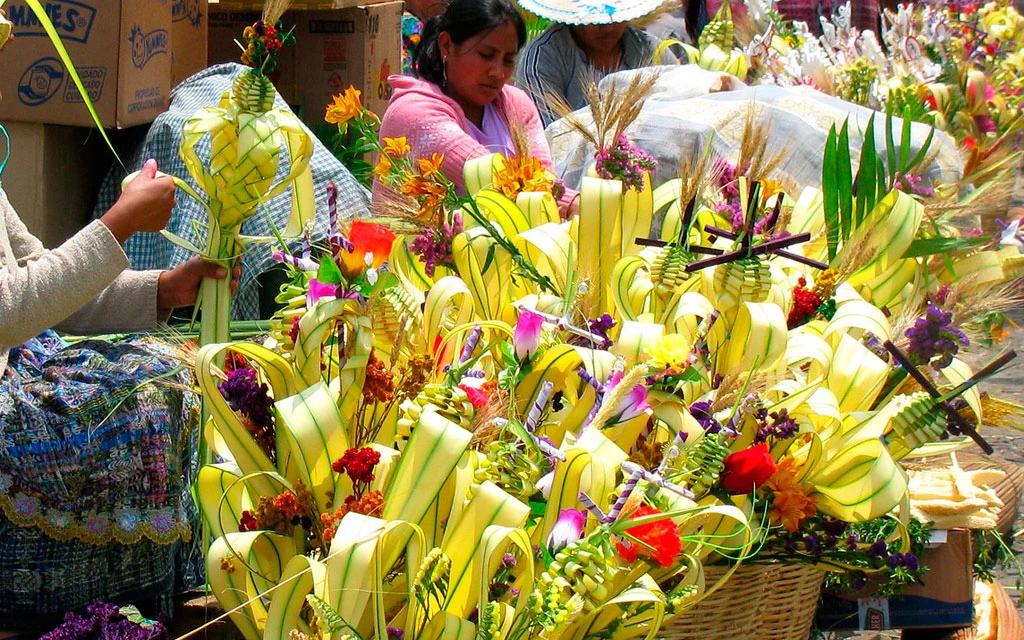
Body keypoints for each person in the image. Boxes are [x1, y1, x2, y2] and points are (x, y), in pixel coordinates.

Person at [0, 10, 237, 623]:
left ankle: (159, 595)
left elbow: (40, 276)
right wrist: (119, 223)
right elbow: (10, 309)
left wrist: (163, 289)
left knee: (172, 376)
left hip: (18, 359)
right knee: (141, 411)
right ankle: (94, 609)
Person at [376, 0, 579, 214]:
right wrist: (571, 203)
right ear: (446, 45)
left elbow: (542, 176)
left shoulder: (517, 106)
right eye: (486, 55)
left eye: (508, 60)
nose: (498, 72)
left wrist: (572, 203)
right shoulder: (413, 113)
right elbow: (491, 176)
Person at [514, 0, 680, 127]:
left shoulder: (652, 50)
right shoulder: (542, 58)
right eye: (597, 21)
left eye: (615, 19)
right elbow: (552, 137)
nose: (608, 29)